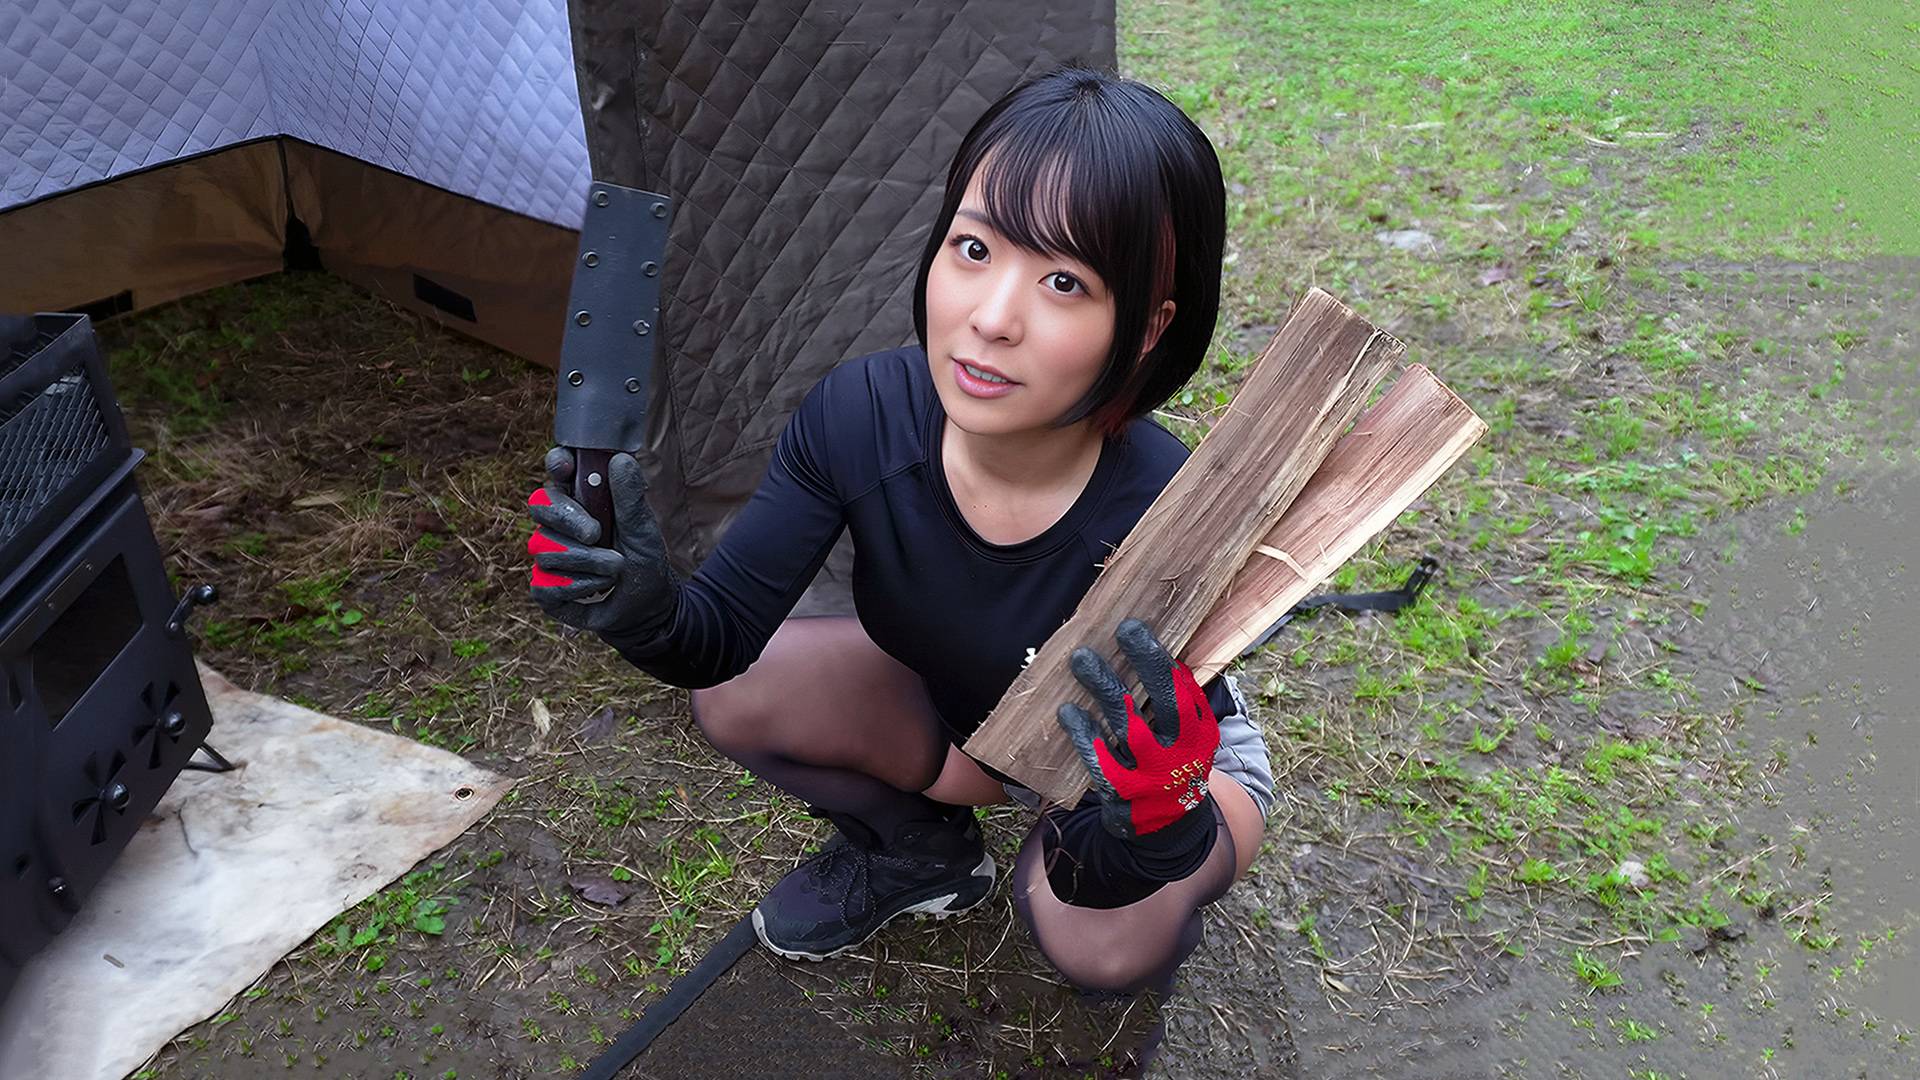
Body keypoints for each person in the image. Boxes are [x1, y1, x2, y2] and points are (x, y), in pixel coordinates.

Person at [525, 66, 1276, 999]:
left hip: (1147, 771)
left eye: (1064, 281)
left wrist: (1152, 829)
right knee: (739, 697)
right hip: (974, 725)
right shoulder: (861, 417)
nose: (990, 318)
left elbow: (1101, 848)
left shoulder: (1170, 511)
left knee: (1094, 935)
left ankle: (1168, 874)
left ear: (1150, 327)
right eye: (974, 248)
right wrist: (641, 611)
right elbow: (715, 637)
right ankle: (922, 856)